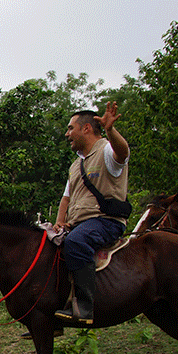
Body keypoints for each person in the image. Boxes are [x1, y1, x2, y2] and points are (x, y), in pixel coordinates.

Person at [52, 102, 130, 325]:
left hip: (105, 221)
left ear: (86, 128)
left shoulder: (106, 150)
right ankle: (54, 317)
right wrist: (59, 221)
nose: (67, 134)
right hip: (79, 223)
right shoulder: (76, 164)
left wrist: (110, 130)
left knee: (76, 242)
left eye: (70, 128)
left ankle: (85, 307)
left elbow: (122, 152)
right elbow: (66, 197)